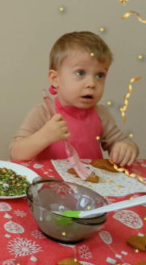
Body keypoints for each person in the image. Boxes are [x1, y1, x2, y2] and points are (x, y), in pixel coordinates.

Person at [10, 31, 139, 166]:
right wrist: (45, 135)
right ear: (55, 78)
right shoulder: (43, 113)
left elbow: (121, 141)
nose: (92, 83)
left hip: (89, 179)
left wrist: (127, 148)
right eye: (80, 73)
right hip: (49, 179)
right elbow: (16, 153)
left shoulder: (101, 114)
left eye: (100, 75)